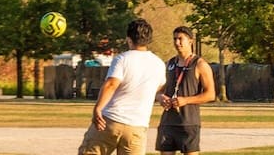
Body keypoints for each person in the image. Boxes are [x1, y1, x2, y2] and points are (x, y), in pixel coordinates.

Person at [78, 19, 166, 155]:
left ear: (129, 39)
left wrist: (98, 108)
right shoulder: (159, 64)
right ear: (148, 40)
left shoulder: (122, 59)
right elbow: (159, 89)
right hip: (137, 126)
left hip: (111, 120)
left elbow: (111, 84)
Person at [156, 26, 215, 155]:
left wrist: (186, 100)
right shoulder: (169, 64)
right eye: (175, 39)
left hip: (189, 123)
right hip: (168, 122)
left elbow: (210, 94)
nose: (177, 43)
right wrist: (161, 97)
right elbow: (158, 90)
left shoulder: (200, 64)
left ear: (190, 41)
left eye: (180, 39)